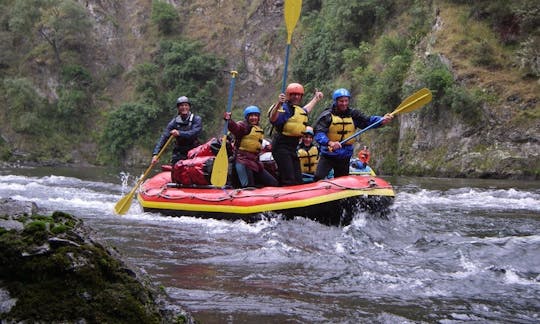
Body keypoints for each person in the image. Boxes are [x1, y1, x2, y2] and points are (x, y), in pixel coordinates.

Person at [312, 88, 393, 181]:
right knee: (318, 177)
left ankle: (343, 195)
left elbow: (368, 121)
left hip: (344, 155)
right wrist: (330, 143)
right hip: (328, 154)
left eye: (346, 101)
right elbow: (319, 132)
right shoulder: (327, 116)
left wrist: (382, 120)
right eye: (341, 101)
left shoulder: (354, 115)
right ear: (335, 101)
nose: (344, 103)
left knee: (342, 181)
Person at [268, 83, 323, 186]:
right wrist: (278, 104)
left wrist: (315, 99)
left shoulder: (296, 109)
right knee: (289, 179)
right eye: (294, 95)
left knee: (298, 179)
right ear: (288, 95)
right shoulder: (284, 108)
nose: (297, 97)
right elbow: (273, 119)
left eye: (299, 95)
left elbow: (305, 110)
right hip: (281, 147)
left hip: (292, 147)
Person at [224, 106, 278, 188]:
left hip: (255, 163)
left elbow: (258, 143)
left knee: (273, 183)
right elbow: (235, 128)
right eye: (251, 116)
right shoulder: (243, 126)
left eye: (256, 116)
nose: (254, 118)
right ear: (247, 117)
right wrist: (229, 121)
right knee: (249, 187)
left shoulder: (257, 129)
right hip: (243, 162)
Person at [151, 96, 202, 165]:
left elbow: (194, 133)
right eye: (181, 106)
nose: (184, 107)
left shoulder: (196, 119)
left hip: (193, 151)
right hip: (179, 152)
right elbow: (164, 137)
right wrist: (155, 154)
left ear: (189, 107)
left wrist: (179, 133)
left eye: (186, 105)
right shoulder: (174, 122)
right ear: (178, 108)